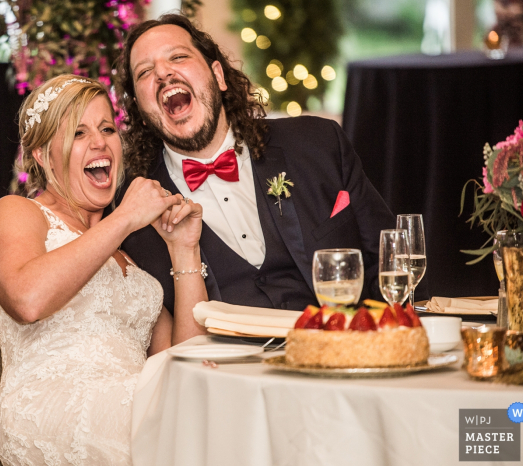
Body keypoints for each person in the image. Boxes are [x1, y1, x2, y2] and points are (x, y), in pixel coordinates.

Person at [0, 74, 206, 465]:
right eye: (79, 134)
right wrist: (124, 219)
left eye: (106, 128)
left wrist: (184, 250)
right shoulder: (18, 212)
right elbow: (27, 299)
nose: (100, 142)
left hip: (132, 401)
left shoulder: (126, 256)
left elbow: (183, 361)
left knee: (209, 403)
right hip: (54, 406)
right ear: (42, 155)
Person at [115, 14, 396, 313]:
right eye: (145, 72)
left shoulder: (318, 144)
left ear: (219, 76)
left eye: (178, 56)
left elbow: (391, 260)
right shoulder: (132, 212)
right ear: (140, 110)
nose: (163, 74)